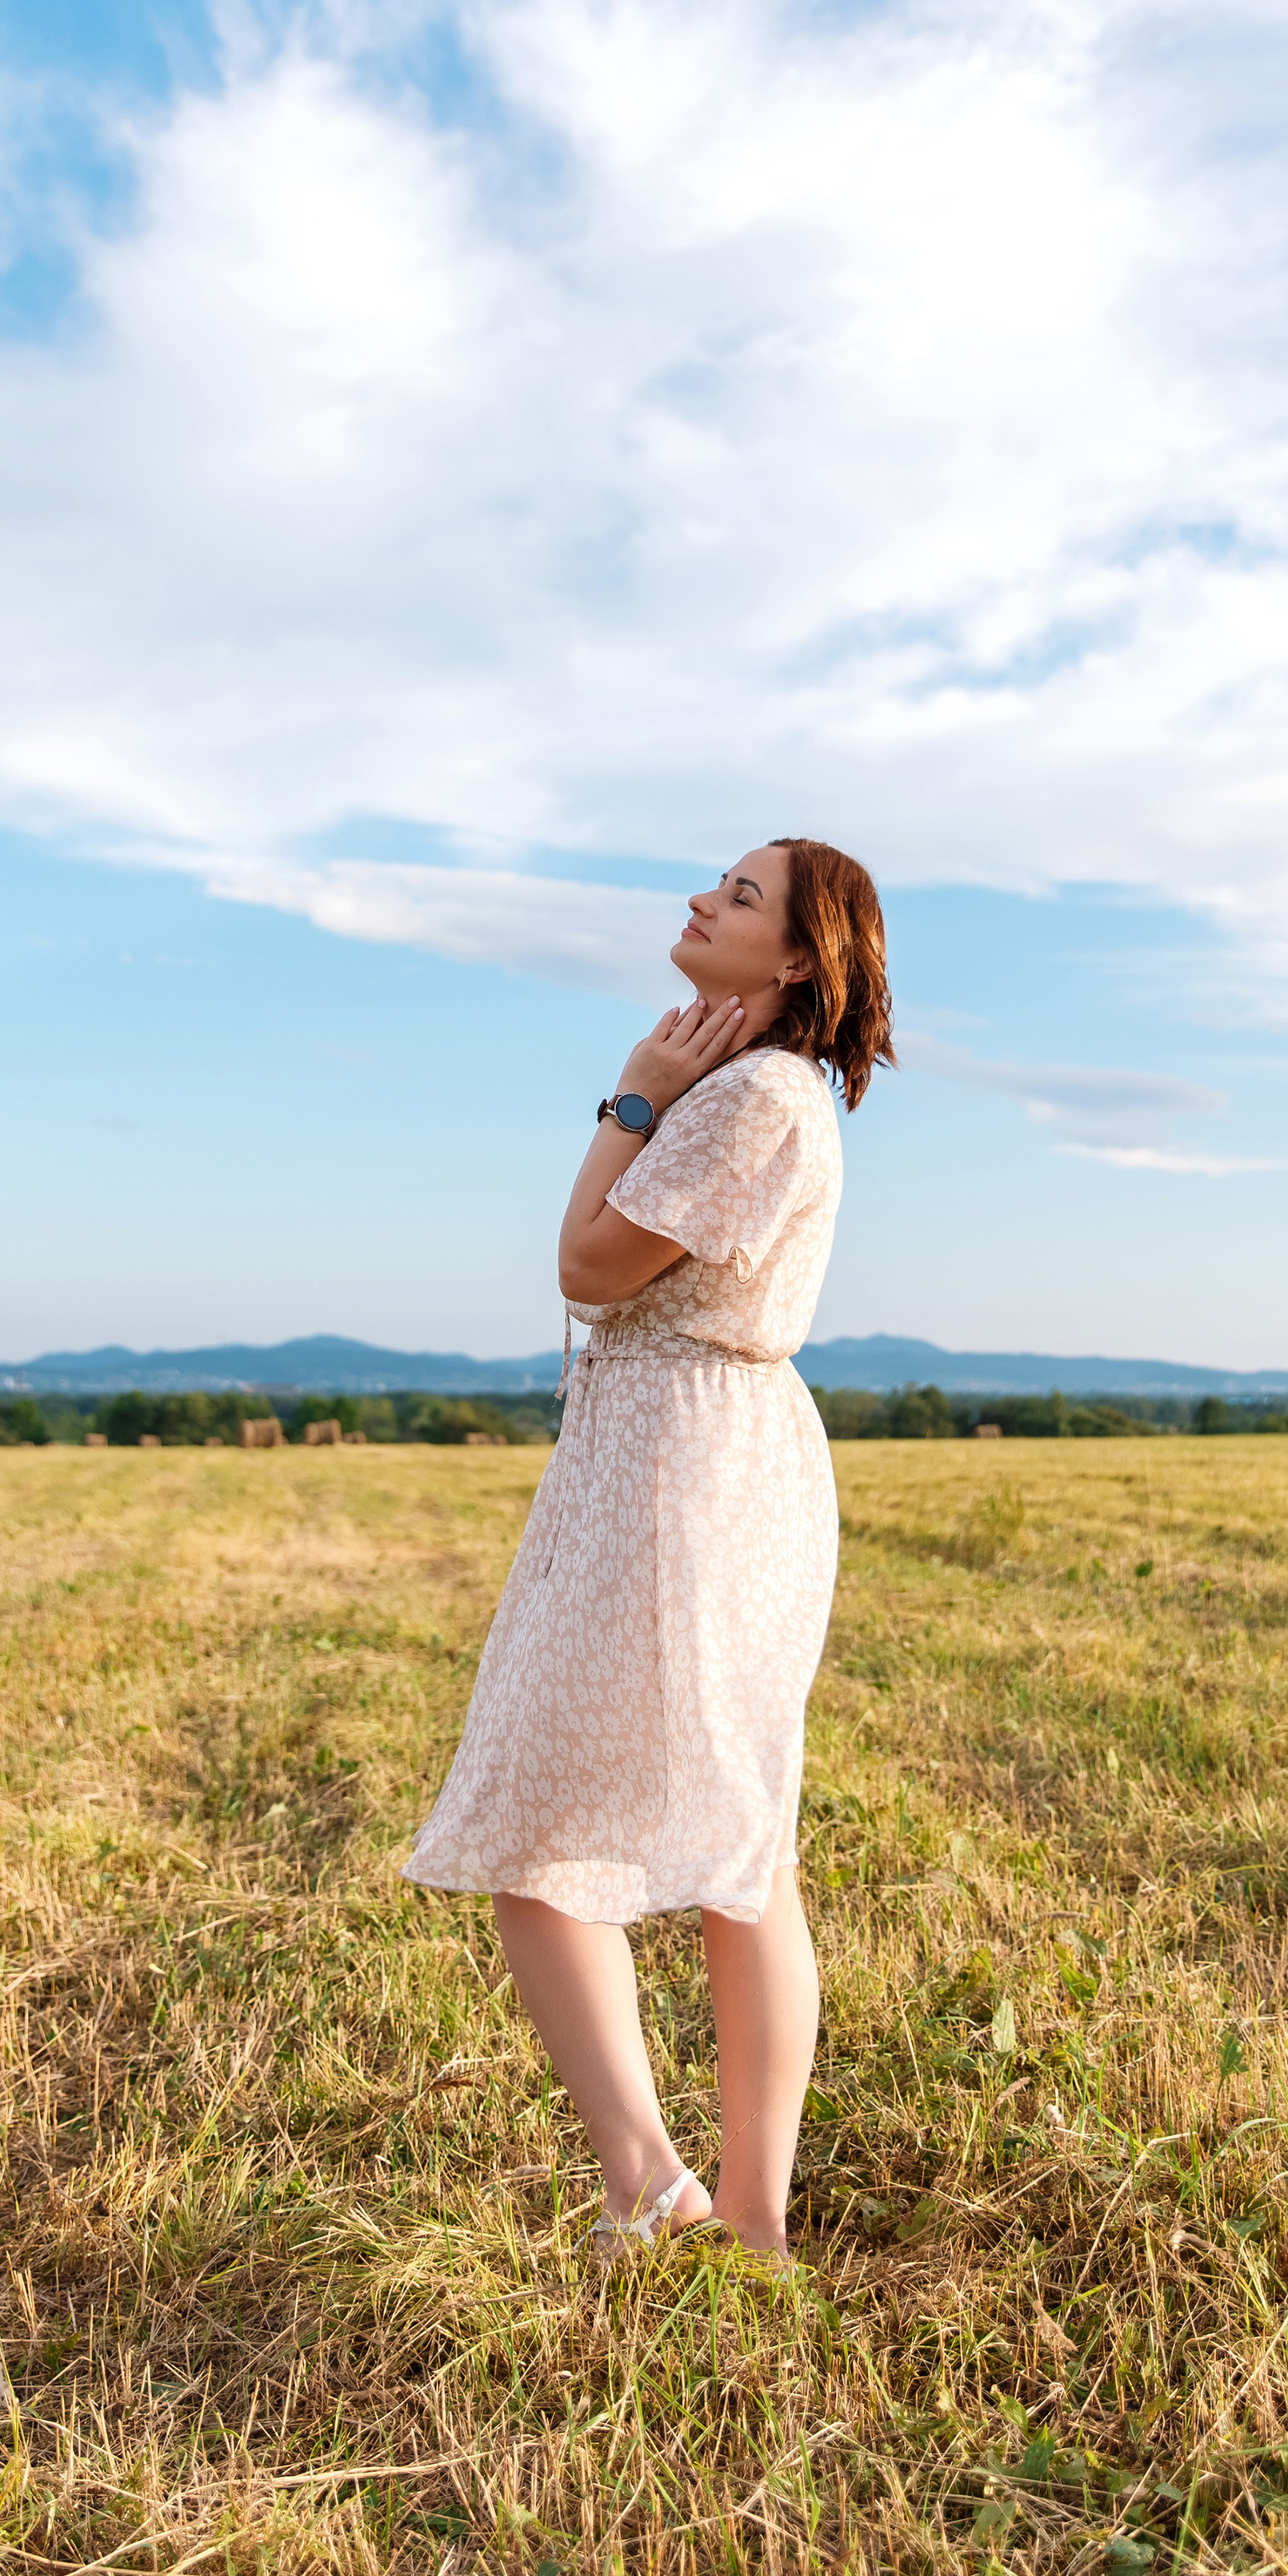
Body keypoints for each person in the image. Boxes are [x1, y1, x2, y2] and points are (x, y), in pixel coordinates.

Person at [404, 837, 893, 2261]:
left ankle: (657, 2188)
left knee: (544, 1834)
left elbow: (587, 1265)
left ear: (800, 957)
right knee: (743, 1850)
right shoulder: (769, 1093)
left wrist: (635, 1094)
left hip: (685, 1469)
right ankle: (745, 2225)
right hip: (697, 1455)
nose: (699, 902)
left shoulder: (745, 1095)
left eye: (739, 896)